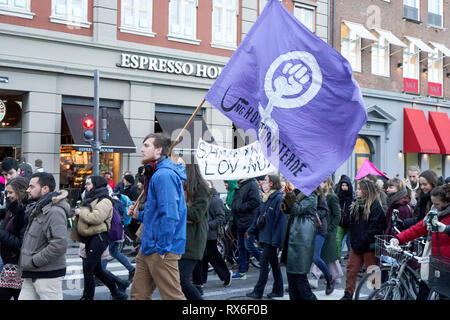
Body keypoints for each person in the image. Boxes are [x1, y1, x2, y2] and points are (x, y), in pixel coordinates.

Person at [129, 133, 187, 300]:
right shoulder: (157, 173)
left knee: (172, 297)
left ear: (159, 150)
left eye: (147, 145)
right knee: (138, 295)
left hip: (161, 248)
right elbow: (155, 213)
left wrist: (162, 247)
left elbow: (170, 215)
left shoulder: (163, 175)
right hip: (148, 245)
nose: (142, 149)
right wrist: (138, 214)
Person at [391, 183, 450, 299]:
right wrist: (398, 238)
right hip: (435, 264)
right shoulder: (433, 214)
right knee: (422, 293)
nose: (434, 206)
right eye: (432, 203)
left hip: (447, 266)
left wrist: (445, 229)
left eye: (436, 204)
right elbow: (417, 229)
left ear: (447, 202)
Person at [74, 175, 128, 300]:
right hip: (90, 237)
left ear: (96, 185)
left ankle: (87, 297)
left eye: (88, 184)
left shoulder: (105, 200)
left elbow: (96, 217)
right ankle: (117, 291)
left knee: (88, 269)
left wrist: (80, 212)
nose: (85, 186)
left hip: (99, 238)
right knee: (97, 270)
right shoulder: (92, 198)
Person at [18, 172, 69, 300]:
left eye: (32, 186)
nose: (28, 190)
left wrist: (34, 261)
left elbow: (59, 245)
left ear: (45, 189)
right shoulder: (39, 207)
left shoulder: (54, 211)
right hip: (31, 272)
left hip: (47, 275)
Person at [340, 180, 386, 300]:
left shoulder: (375, 206)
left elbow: (375, 228)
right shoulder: (356, 204)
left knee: (371, 272)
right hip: (356, 245)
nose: (357, 191)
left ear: (366, 191)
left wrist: (362, 241)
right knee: (351, 270)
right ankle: (348, 295)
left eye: (359, 189)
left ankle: (376, 295)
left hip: (368, 246)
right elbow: (352, 225)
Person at [246, 175, 286, 299]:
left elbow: (280, 222)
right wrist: (251, 230)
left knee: (264, 263)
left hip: (271, 238)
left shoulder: (278, 198)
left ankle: (258, 291)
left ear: (272, 183)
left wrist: (276, 241)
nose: (263, 183)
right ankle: (278, 290)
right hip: (265, 236)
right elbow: (259, 217)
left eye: (266, 181)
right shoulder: (265, 198)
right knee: (274, 264)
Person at [280, 188, 319, 300]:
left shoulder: (311, 194)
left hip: (302, 235)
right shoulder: (297, 191)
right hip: (293, 233)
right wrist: (286, 200)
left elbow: (298, 209)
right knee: (291, 274)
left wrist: (290, 196)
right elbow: (289, 210)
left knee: (299, 275)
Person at [192, 181, 231, 292]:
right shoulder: (201, 199)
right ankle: (201, 280)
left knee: (214, 257)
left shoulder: (215, 200)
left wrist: (207, 226)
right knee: (202, 257)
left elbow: (220, 217)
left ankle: (226, 276)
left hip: (210, 235)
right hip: (201, 234)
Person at [0, 177, 29, 300]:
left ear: (20, 192)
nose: (7, 195)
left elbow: (19, 243)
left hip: (17, 265)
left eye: (10, 192)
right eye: (6, 192)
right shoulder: (12, 208)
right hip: (8, 263)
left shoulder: (24, 212)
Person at [311, 177, 341, 294]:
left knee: (322, 256)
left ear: (328, 183)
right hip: (319, 229)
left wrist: (330, 229)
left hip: (326, 230)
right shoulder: (318, 195)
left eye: (323, 182)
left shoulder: (332, 197)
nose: (321, 184)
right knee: (325, 257)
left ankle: (320, 278)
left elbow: (337, 215)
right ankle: (333, 277)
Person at [231, 178, 261, 279]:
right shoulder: (241, 185)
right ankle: (242, 271)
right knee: (241, 247)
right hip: (240, 221)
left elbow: (256, 201)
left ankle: (265, 263)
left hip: (248, 222)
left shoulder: (252, 184)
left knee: (248, 245)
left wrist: (240, 207)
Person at [336, 175, 353, 261]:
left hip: (350, 224)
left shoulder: (353, 197)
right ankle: (337, 260)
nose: (344, 187)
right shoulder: (338, 196)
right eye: (343, 185)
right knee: (337, 242)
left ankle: (351, 262)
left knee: (351, 244)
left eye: (346, 185)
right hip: (340, 223)